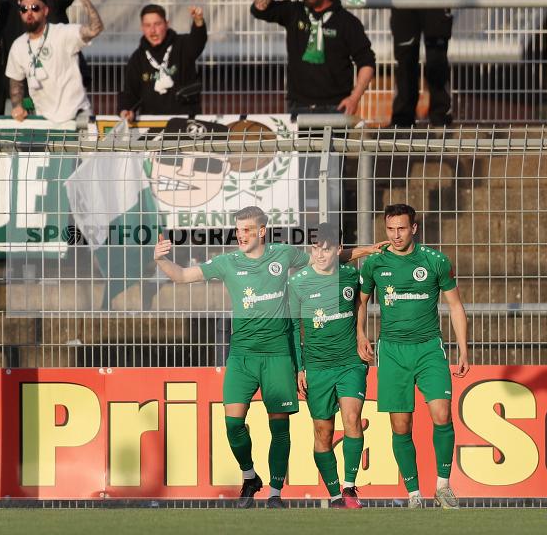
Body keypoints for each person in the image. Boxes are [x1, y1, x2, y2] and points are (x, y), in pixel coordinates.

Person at [154, 206, 384, 509]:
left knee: (279, 427)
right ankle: (249, 476)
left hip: (277, 355)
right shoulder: (227, 262)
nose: (241, 235)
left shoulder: (283, 254)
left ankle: (275, 493)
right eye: (238, 229)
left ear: (262, 231)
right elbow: (183, 275)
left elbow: (327, 257)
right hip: (242, 356)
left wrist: (367, 250)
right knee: (233, 425)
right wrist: (161, 259)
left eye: (247, 229)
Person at [356, 204, 470, 509]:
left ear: (414, 228)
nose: (395, 235)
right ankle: (414, 495)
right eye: (390, 229)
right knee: (401, 426)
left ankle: (443, 487)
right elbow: (362, 302)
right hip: (392, 351)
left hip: (429, 348)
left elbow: (456, 306)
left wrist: (463, 348)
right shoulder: (375, 264)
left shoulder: (435, 261)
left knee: (442, 414)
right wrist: (361, 334)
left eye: (402, 229)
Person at [288, 223, 366, 509]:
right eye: (316, 249)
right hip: (317, 367)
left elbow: (361, 305)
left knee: (352, 418)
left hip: (349, 363)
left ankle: (349, 488)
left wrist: (360, 333)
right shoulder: (298, 283)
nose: (320, 255)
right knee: (323, 432)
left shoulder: (350, 275)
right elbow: (294, 329)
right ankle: (334, 495)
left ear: (338, 250)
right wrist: (299, 368)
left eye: (327, 249)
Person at [251, 0, 375, 115]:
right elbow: (258, 9)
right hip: (298, 106)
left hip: (335, 106)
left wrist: (354, 98)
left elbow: (367, 61)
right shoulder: (294, 12)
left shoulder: (346, 21)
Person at [380, 0, 468, 128]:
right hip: (403, 0)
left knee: (437, 58)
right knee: (405, 59)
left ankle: (440, 117)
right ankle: (403, 120)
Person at [5, 0, 102, 123]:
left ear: (45, 11)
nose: (29, 13)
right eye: (24, 9)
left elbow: (95, 29)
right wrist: (17, 106)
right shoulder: (18, 46)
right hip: (44, 119)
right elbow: (16, 81)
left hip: (76, 115)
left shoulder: (62, 33)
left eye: (35, 8)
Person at [118, 4, 206, 120]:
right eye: (147, 25)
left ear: (166, 24)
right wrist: (125, 110)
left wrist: (198, 22)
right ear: (142, 28)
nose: (153, 30)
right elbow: (130, 93)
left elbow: (197, 42)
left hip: (185, 121)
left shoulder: (182, 45)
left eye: (157, 24)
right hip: (151, 122)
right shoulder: (137, 59)